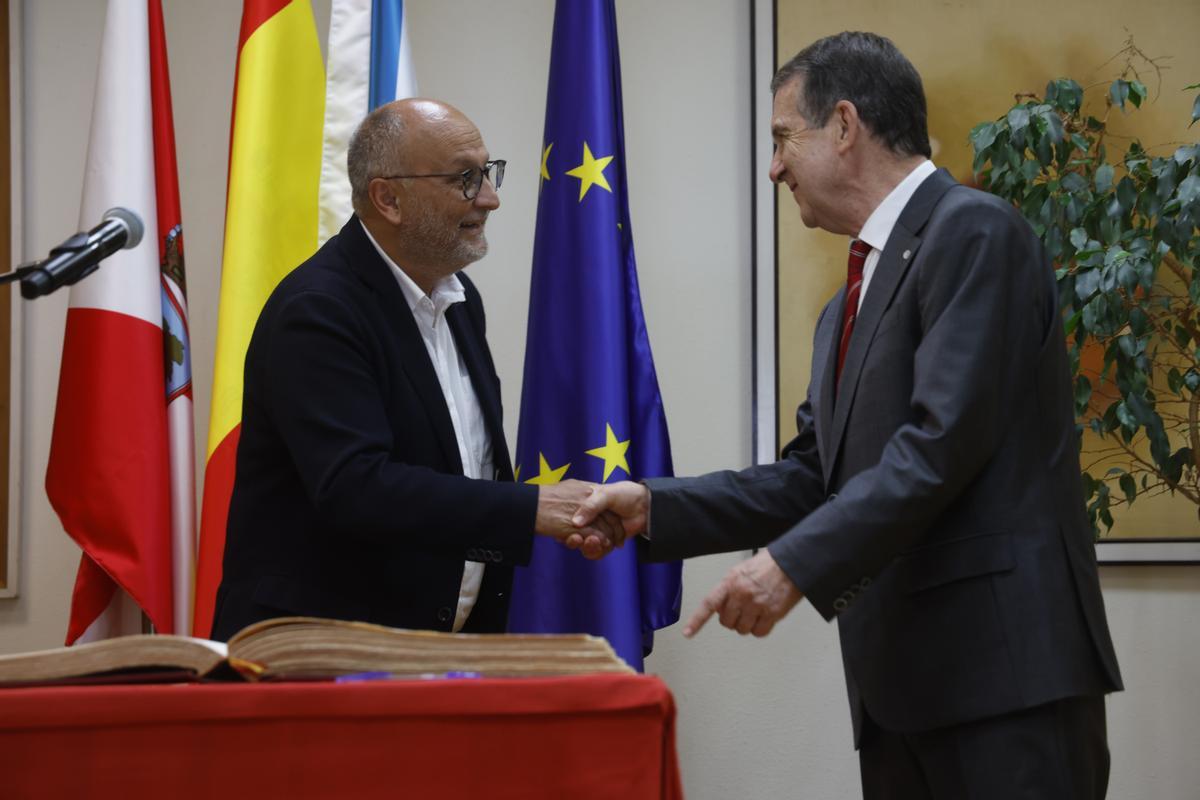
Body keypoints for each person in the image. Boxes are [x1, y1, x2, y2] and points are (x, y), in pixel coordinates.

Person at [574, 32, 1123, 799]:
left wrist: (791, 566)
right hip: (902, 692)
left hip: (1004, 683)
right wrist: (654, 507)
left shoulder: (974, 231)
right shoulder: (843, 308)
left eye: (780, 139)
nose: (773, 168)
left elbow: (939, 444)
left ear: (842, 124)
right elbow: (813, 476)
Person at [211, 99, 616, 642]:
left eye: (488, 173)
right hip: (318, 659)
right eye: (465, 180)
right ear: (389, 198)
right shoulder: (317, 310)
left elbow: (470, 468)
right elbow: (357, 486)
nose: (491, 199)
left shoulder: (459, 298)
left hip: (436, 655)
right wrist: (532, 508)